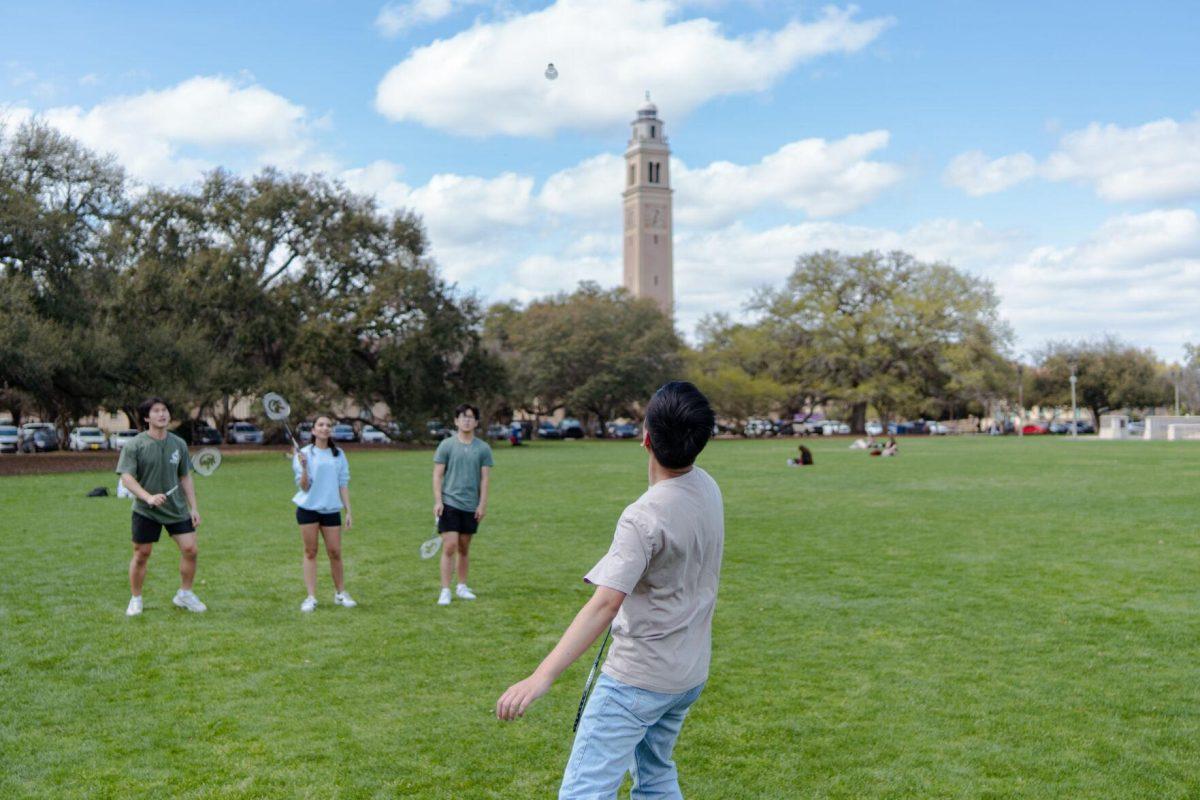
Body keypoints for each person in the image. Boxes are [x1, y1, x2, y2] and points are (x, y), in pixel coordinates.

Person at [496, 381, 724, 800]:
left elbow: (604, 604)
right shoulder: (707, 486)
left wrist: (540, 677)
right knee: (655, 778)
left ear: (646, 438)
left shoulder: (642, 516)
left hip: (638, 679)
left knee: (584, 791)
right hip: (688, 673)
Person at [117, 397, 205, 616]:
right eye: (156, 411)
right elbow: (127, 478)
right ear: (147, 417)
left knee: (190, 549)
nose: (162, 414)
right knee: (142, 554)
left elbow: (185, 477)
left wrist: (193, 507)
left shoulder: (179, 444)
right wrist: (148, 497)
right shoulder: (135, 445)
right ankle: (136, 598)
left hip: (176, 509)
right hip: (146, 510)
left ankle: (184, 594)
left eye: (164, 410)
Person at [292, 415, 356, 613]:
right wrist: (303, 468)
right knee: (310, 552)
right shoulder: (303, 454)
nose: (325, 428)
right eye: (320, 425)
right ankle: (311, 597)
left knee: (335, 552)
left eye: (328, 425)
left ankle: (340, 593)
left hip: (331, 510)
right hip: (308, 509)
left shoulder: (339, 455)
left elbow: (343, 483)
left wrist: (348, 511)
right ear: (313, 430)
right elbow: (304, 487)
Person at [432, 403, 494, 605]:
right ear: (456, 421)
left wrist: (482, 505)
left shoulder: (483, 448)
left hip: (471, 505)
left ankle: (462, 586)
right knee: (449, 546)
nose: (467, 420)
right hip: (449, 503)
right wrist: (438, 501)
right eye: (463, 416)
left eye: (470, 417)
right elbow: (438, 475)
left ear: (476, 422)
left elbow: (485, 479)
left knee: (464, 548)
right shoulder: (447, 445)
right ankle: (445, 590)